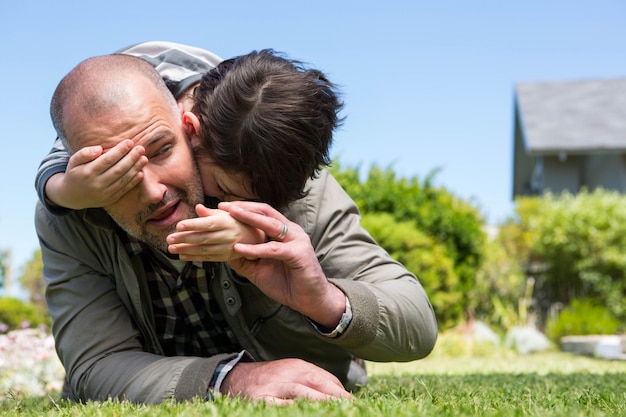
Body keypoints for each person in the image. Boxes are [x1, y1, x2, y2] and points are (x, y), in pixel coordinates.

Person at [36, 45, 438, 405]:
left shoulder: (279, 178)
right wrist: (227, 380)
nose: (154, 191)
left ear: (185, 125)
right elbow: (96, 365)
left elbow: (417, 324)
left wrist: (323, 300)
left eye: (161, 150)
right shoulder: (72, 216)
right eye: (115, 172)